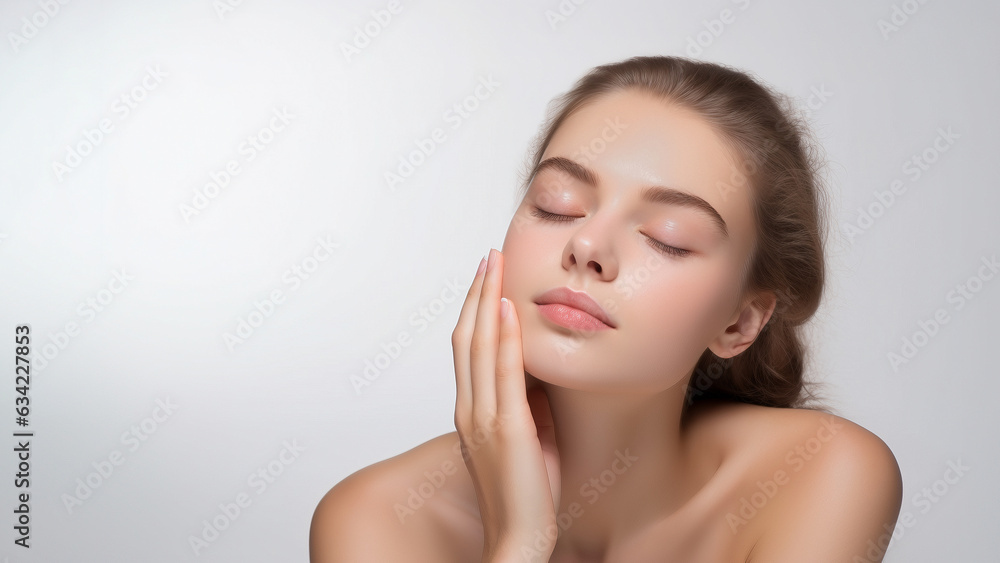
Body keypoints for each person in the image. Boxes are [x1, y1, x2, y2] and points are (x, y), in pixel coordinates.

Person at [310, 55, 903, 562]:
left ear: (740, 321)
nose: (588, 246)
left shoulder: (818, 472)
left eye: (668, 237)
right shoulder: (375, 520)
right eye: (557, 205)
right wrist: (517, 542)